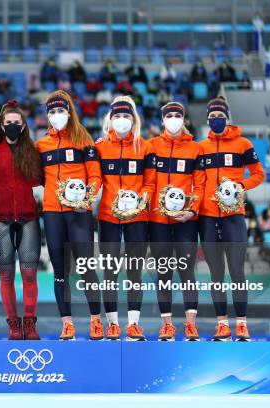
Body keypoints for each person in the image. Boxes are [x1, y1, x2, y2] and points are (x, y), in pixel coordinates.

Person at [35, 90, 102, 340]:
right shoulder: (41, 145)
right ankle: (68, 324)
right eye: (52, 112)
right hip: (52, 212)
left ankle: (96, 320)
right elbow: (37, 176)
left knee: (87, 268)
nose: (56, 115)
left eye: (61, 110)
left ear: (69, 112)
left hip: (80, 213)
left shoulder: (84, 139)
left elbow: (95, 176)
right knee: (60, 270)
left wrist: (87, 199)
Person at [198, 96, 265, 341]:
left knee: (237, 271)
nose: (216, 120)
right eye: (213, 117)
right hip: (206, 217)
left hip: (233, 216)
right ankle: (222, 325)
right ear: (208, 120)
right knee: (216, 273)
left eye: (220, 117)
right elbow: (197, 181)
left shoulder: (243, 144)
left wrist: (240, 185)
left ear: (227, 119)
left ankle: (242, 325)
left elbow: (259, 174)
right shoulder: (201, 147)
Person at [96, 96, 155, 341]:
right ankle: (111, 323)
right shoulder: (99, 147)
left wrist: (140, 199)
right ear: (109, 120)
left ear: (134, 120)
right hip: (108, 216)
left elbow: (151, 182)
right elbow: (94, 180)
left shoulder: (145, 147)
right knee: (109, 272)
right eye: (117, 116)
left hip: (138, 217)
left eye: (126, 116)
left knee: (134, 271)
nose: (122, 121)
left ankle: (133, 324)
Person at [149, 101, 205, 341]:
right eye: (169, 115)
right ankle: (167, 325)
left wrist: (192, 211)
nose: (173, 119)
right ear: (162, 120)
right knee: (163, 273)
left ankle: (191, 325)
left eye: (177, 115)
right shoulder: (151, 146)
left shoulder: (195, 149)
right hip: (158, 220)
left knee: (187, 272)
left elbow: (201, 184)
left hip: (186, 221)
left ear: (184, 120)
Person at [0, 100, 42, 340]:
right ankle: (13, 325)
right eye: (7, 122)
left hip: (29, 219)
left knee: (30, 275)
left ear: (23, 126)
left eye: (16, 123)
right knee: (6, 276)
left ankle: (29, 324)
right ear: (1, 125)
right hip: (1, 220)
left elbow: (43, 180)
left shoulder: (33, 151)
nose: (11, 126)